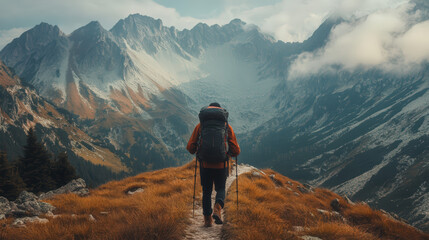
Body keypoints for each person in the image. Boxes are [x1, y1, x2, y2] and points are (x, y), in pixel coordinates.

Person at [187, 102, 240, 227]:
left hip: (205, 164)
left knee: (206, 191)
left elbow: (190, 147)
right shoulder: (227, 127)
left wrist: (197, 151)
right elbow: (236, 150)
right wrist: (229, 153)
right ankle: (217, 208)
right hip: (221, 165)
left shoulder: (200, 126)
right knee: (221, 188)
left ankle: (207, 220)